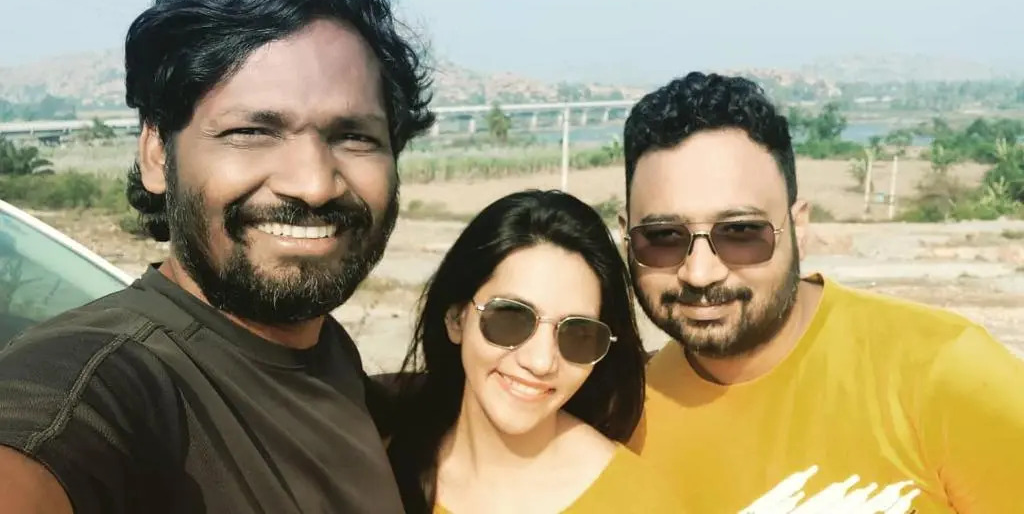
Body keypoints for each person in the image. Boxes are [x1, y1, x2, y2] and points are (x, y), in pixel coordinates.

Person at [0, 0, 435, 512]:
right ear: (158, 154)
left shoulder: (321, 349)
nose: (314, 184)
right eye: (251, 132)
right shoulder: (100, 383)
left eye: (355, 137)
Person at [621, 72, 1024, 513]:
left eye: (740, 233)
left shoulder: (945, 375)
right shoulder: (624, 419)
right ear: (626, 238)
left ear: (800, 227)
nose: (699, 273)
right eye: (663, 237)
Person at [382, 190, 684, 513]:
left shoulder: (636, 502)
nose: (541, 361)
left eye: (578, 334)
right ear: (457, 319)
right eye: (511, 318)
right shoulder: (383, 473)